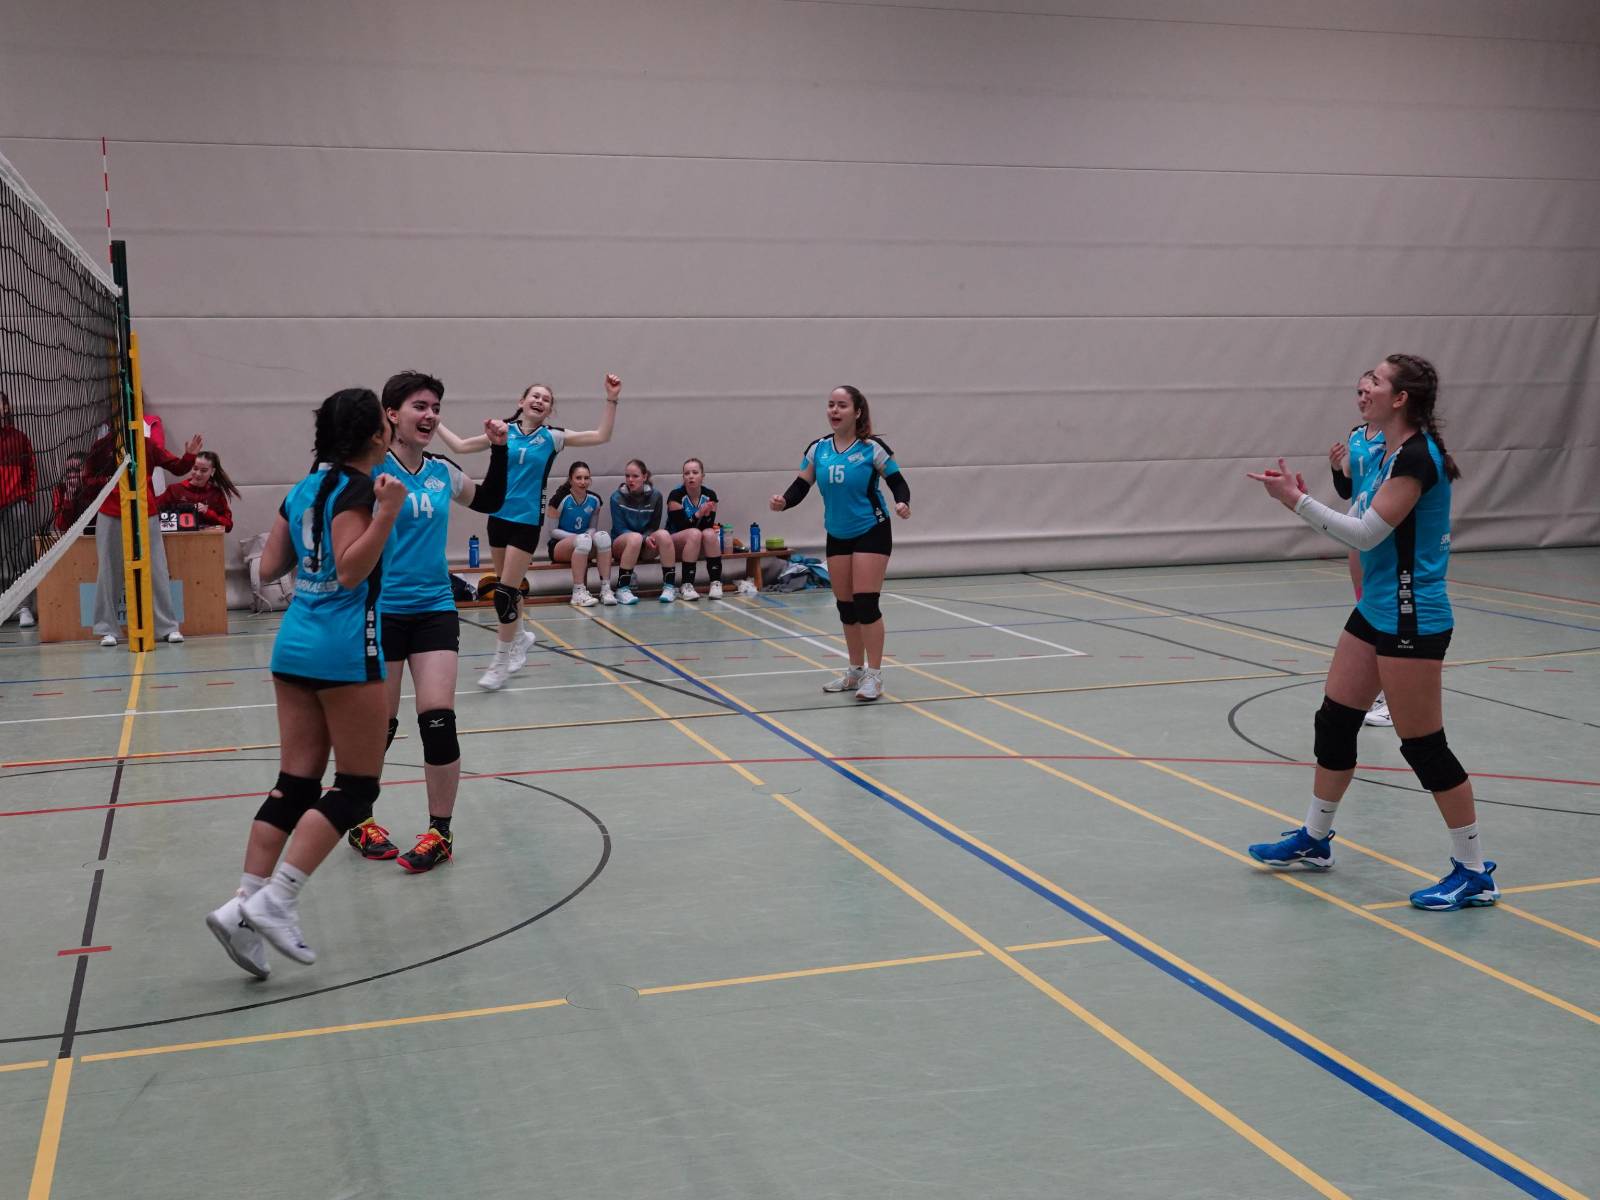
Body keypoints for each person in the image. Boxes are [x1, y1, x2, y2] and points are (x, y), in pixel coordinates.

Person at [1245, 353, 1497, 912]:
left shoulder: (1417, 458)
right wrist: (1315, 493)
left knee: (1424, 747)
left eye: (1377, 381)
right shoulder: (1380, 449)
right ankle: (1315, 840)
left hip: (1413, 615)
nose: (1365, 386)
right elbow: (1359, 512)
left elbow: (1364, 534)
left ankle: (1474, 870)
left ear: (1401, 398)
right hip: (1377, 609)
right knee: (1335, 721)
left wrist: (1295, 501)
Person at [205, 387, 403, 974]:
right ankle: (279, 899)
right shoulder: (362, 490)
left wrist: (309, 548)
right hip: (342, 648)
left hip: (293, 644)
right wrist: (385, 514)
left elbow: (269, 568)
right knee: (357, 787)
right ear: (375, 434)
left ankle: (243, 908)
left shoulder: (302, 490)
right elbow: (352, 571)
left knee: (295, 784)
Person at [345, 371, 509, 873]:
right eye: (420, 406)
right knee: (379, 724)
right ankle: (360, 818)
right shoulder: (371, 471)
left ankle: (440, 832)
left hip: (435, 607)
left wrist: (500, 449)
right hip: (381, 609)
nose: (431, 415)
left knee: (438, 721)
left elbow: (489, 500)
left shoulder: (442, 471)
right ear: (391, 414)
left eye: (436, 407)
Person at [437, 374, 620, 690]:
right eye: (535, 396)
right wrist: (435, 420)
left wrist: (611, 398)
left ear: (549, 410)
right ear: (521, 402)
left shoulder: (552, 437)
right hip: (498, 518)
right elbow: (460, 446)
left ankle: (500, 662)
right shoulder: (503, 432)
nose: (539, 401)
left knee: (505, 594)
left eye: (546, 399)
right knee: (507, 588)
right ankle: (520, 636)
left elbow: (601, 435)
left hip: (526, 522)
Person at [770, 386, 911, 701]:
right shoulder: (818, 449)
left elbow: (898, 481)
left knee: (865, 602)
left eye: (842, 405)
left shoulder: (872, 448)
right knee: (846, 606)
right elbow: (801, 485)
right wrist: (784, 501)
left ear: (857, 412)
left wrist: (902, 502)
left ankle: (875, 676)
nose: (834, 410)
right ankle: (855, 671)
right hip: (837, 532)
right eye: (831, 405)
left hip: (871, 529)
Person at [83, 419, 200, 645]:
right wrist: (109, 483)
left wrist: (189, 456)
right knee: (108, 570)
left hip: (145, 511)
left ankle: (167, 627)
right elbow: (88, 479)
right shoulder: (102, 446)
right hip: (111, 512)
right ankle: (107, 628)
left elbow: (177, 467)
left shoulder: (146, 445)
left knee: (157, 569)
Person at [1330, 370, 1391, 728]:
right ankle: (1379, 689)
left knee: (1384, 612)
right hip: (1359, 530)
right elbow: (1346, 489)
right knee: (1366, 610)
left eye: (1370, 390)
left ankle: (1393, 694)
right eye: (1359, 392)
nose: (1363, 397)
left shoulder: (1397, 440)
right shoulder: (1356, 435)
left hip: (1382, 530)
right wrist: (1335, 468)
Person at [609, 458, 676, 604]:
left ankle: (669, 587)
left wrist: (646, 538)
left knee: (664, 535)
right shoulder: (616, 497)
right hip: (622, 545)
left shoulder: (656, 496)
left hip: (645, 545)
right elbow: (620, 529)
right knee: (635, 538)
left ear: (644, 477)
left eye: (635, 476)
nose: (630, 480)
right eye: (627, 476)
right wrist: (643, 538)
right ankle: (622, 588)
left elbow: (653, 527)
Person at [547, 461, 614, 607]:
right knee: (583, 540)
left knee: (603, 537)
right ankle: (578, 593)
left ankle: (606, 590)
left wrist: (589, 534)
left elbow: (593, 528)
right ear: (571, 480)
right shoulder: (559, 499)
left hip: (584, 543)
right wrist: (577, 537)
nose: (583, 482)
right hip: (559, 546)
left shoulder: (595, 500)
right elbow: (552, 532)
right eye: (578, 478)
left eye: (586, 478)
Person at [0, 391, 37, 625]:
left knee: (21, 556)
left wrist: (27, 498)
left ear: (6, 408)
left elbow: (31, 468)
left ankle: (24, 608)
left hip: (16, 504)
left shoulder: (19, 438)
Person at [667, 457, 723, 600]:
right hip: (674, 542)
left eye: (695, 472)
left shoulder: (710, 495)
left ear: (702, 476)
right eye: (687, 473)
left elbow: (707, 526)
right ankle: (686, 584)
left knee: (710, 533)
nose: (690, 476)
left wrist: (706, 515)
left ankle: (716, 583)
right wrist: (699, 513)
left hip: (697, 542)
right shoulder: (676, 496)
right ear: (683, 477)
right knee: (694, 533)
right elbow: (681, 527)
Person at [157, 450, 242, 532]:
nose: (198, 474)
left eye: (203, 470)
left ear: (212, 471)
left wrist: (208, 513)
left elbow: (228, 525)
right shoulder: (175, 490)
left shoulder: (216, 494)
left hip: (207, 540)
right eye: (195, 468)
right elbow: (154, 512)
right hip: (177, 540)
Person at [50, 452, 91, 533]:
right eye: (68, 471)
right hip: (71, 536)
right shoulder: (61, 490)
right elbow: (62, 526)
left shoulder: (95, 487)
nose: (72, 475)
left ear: (88, 471)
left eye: (77, 470)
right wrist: (68, 499)